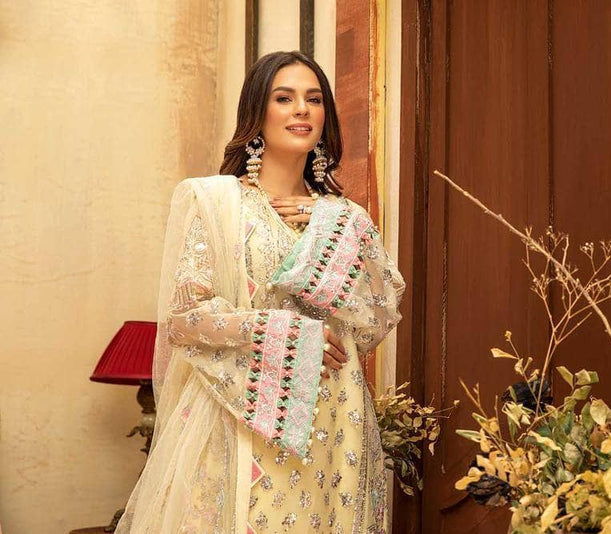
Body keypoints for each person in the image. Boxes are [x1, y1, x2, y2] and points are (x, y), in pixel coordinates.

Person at [116, 51, 405, 534]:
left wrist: (330, 228)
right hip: (238, 419)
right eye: (284, 98)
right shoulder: (215, 201)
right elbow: (185, 319)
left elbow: (375, 320)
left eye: (314, 99)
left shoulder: (344, 218)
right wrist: (289, 335)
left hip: (333, 422)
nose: (302, 109)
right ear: (257, 111)